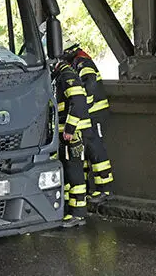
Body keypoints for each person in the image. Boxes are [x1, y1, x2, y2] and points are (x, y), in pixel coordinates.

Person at [63, 43, 114, 203]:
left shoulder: (82, 63)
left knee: (96, 149)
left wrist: (83, 105)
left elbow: (90, 84)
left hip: (95, 114)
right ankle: (86, 188)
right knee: (86, 151)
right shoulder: (77, 62)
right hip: (90, 115)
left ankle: (104, 189)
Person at [53, 60, 90, 227]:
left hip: (73, 134)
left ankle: (78, 214)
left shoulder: (67, 76)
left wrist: (69, 129)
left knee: (74, 171)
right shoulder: (60, 77)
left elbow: (79, 102)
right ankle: (69, 209)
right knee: (68, 171)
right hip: (65, 134)